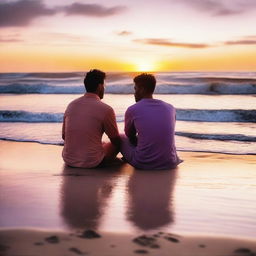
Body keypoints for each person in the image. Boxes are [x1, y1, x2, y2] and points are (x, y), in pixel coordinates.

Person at [121, 73, 182, 170]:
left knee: (121, 137)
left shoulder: (133, 109)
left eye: (135, 89)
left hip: (144, 163)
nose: (134, 93)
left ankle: (130, 157)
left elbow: (129, 135)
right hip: (170, 162)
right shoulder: (170, 107)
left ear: (142, 89)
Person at [62, 69, 120, 168]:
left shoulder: (71, 105)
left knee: (101, 143)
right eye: (104, 86)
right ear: (100, 86)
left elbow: (64, 136)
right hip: (92, 162)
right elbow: (116, 140)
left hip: (69, 159)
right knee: (121, 138)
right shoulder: (106, 109)